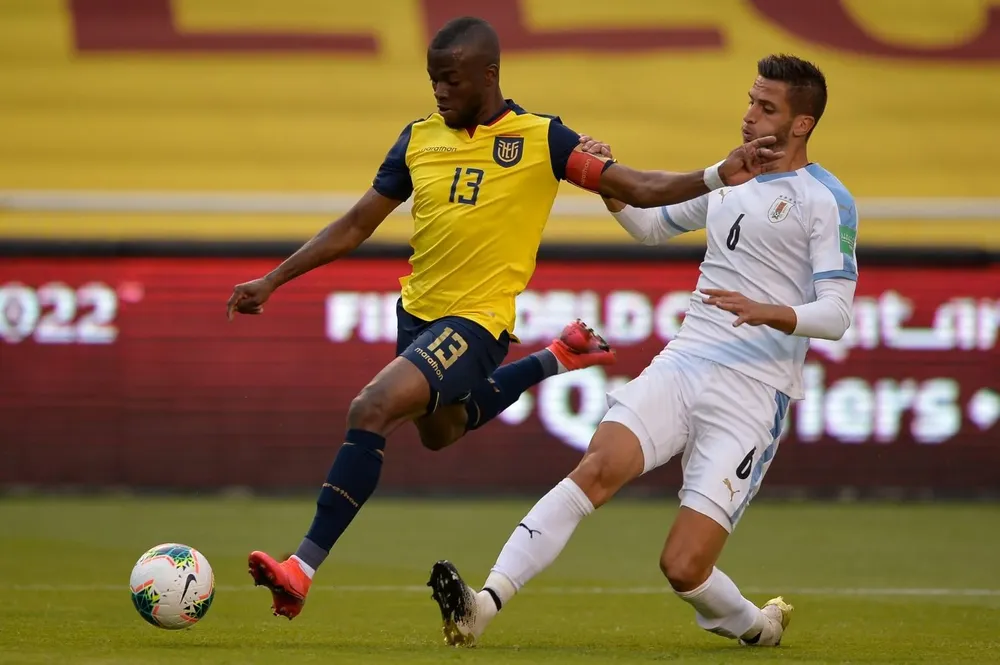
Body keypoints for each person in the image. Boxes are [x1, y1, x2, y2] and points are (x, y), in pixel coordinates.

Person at [226, 16, 785, 620]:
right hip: (417, 316)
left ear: (488, 74)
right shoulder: (417, 139)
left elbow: (639, 186)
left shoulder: (542, 139)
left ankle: (301, 569)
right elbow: (357, 223)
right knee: (441, 432)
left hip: (476, 323)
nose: (439, 91)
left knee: (371, 408)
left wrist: (717, 175)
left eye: (450, 79)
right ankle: (555, 357)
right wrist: (274, 278)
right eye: (433, 80)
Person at [428, 54, 857, 649]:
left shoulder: (826, 199)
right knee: (595, 468)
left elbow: (836, 313)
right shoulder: (729, 178)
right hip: (686, 361)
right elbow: (652, 225)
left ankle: (759, 627)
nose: (748, 116)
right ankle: (483, 605)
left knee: (683, 567)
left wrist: (770, 312)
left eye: (766, 107)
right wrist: (607, 182)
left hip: (755, 392)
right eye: (750, 101)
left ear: (802, 124)